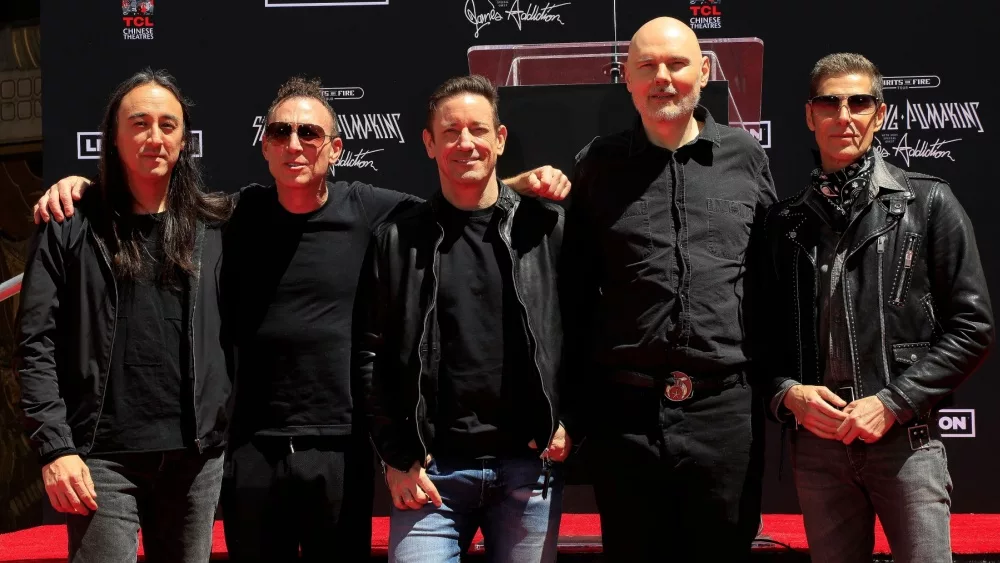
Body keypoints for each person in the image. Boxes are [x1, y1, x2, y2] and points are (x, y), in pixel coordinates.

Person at [34, 76, 571, 562]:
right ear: (264, 145)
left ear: (335, 148)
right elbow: (149, 209)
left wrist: (518, 183)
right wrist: (82, 188)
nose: (296, 144)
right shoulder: (230, 216)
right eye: (282, 132)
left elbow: (463, 194)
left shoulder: (373, 212)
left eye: (310, 134)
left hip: (341, 448)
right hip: (248, 451)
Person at [757, 53, 994, 563]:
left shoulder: (929, 203)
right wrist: (788, 394)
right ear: (809, 115)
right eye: (830, 102)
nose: (845, 115)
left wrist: (892, 401)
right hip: (818, 451)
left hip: (906, 442)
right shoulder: (784, 223)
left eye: (859, 102)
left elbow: (973, 329)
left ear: (879, 114)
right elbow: (759, 338)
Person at [559, 17, 777, 561]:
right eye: (647, 66)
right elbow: (572, 293)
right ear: (626, 79)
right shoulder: (598, 165)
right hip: (625, 418)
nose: (663, 78)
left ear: (702, 73)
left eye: (677, 64)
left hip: (725, 416)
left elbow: (773, 281)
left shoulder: (746, 158)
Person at [16, 69, 233, 563]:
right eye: (139, 123)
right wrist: (55, 448)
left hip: (194, 462)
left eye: (168, 125)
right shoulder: (69, 224)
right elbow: (35, 343)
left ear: (184, 140)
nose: (154, 137)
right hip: (100, 460)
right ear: (112, 136)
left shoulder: (217, 225)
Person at [359, 74, 570, 563]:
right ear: (429, 144)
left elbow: (582, 334)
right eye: (450, 132)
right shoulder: (395, 240)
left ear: (499, 139)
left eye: (478, 130)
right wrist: (395, 455)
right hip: (431, 474)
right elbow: (369, 355)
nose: (465, 143)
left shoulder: (546, 229)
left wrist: (570, 420)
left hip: (528, 468)